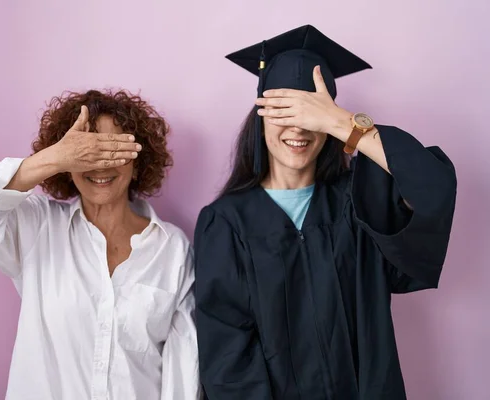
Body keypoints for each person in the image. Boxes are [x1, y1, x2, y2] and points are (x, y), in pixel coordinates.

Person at [194, 25, 457, 400]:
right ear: (261, 114)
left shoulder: (358, 202)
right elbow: (228, 357)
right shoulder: (227, 223)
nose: (298, 128)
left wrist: (341, 123)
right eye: (283, 110)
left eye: (310, 114)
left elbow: (433, 188)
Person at [0, 89, 200, 400]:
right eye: (86, 152)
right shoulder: (37, 227)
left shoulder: (171, 249)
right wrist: (52, 158)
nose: (100, 165)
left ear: (138, 159)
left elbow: (182, 370)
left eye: (112, 150)